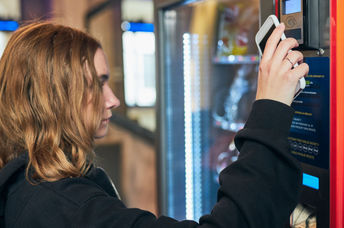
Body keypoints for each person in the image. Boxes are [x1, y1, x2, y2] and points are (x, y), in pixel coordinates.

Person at [0, 22, 308, 227]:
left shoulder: (26, 186)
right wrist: (270, 108)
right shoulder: (63, 208)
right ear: (52, 97)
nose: (112, 100)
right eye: (97, 84)